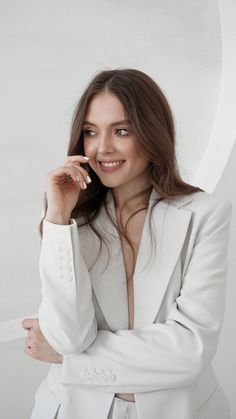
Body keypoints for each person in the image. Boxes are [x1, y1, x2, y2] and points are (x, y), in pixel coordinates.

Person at [22, 68, 232, 419]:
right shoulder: (72, 218)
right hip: (73, 408)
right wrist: (57, 218)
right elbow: (69, 337)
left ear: (152, 133)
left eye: (121, 131)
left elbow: (190, 351)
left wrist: (66, 360)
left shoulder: (205, 215)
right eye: (91, 132)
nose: (102, 148)